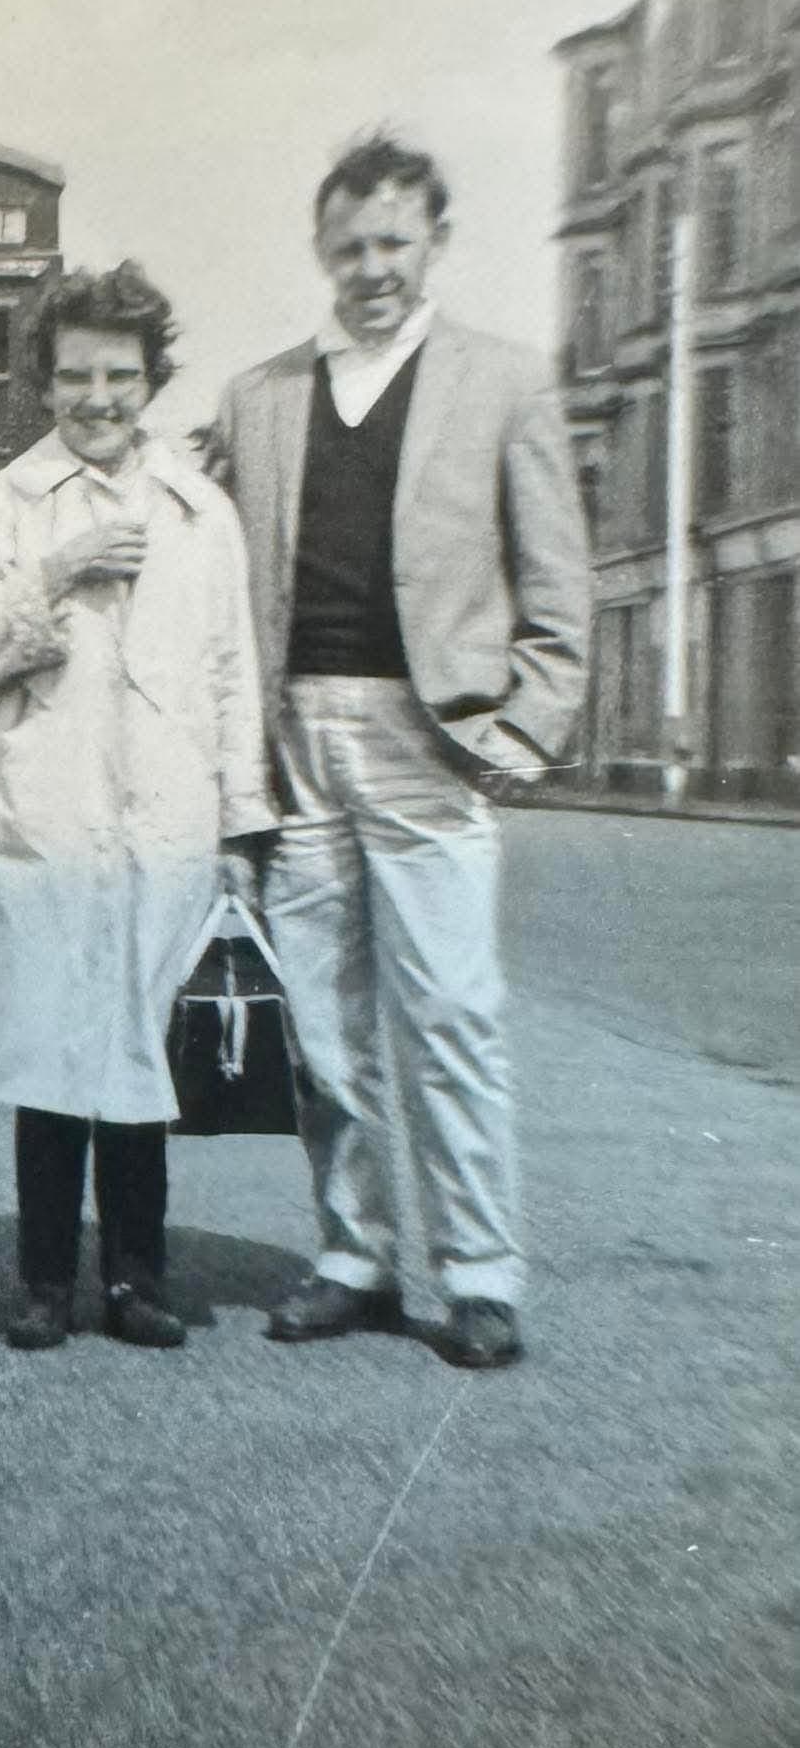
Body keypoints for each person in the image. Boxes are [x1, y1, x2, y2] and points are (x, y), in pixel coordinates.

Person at [0, 263, 276, 1352]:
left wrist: (240, 826)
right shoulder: (6, 502)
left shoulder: (199, 512)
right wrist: (59, 568)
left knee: (140, 1043)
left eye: (120, 375)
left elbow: (232, 672)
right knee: (49, 1051)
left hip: (165, 819)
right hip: (49, 809)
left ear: (152, 377)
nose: (99, 397)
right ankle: (43, 1279)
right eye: (76, 374)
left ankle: (137, 1277)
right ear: (44, 381)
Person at [215, 132, 590, 1370]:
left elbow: (557, 581)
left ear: (434, 241)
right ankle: (355, 1256)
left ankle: (479, 1272)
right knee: (323, 1021)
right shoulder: (258, 394)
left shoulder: (505, 379)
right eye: (349, 246)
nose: (371, 267)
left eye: (393, 242)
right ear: (321, 250)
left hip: (427, 736)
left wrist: (526, 724)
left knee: (449, 1013)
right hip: (297, 734)